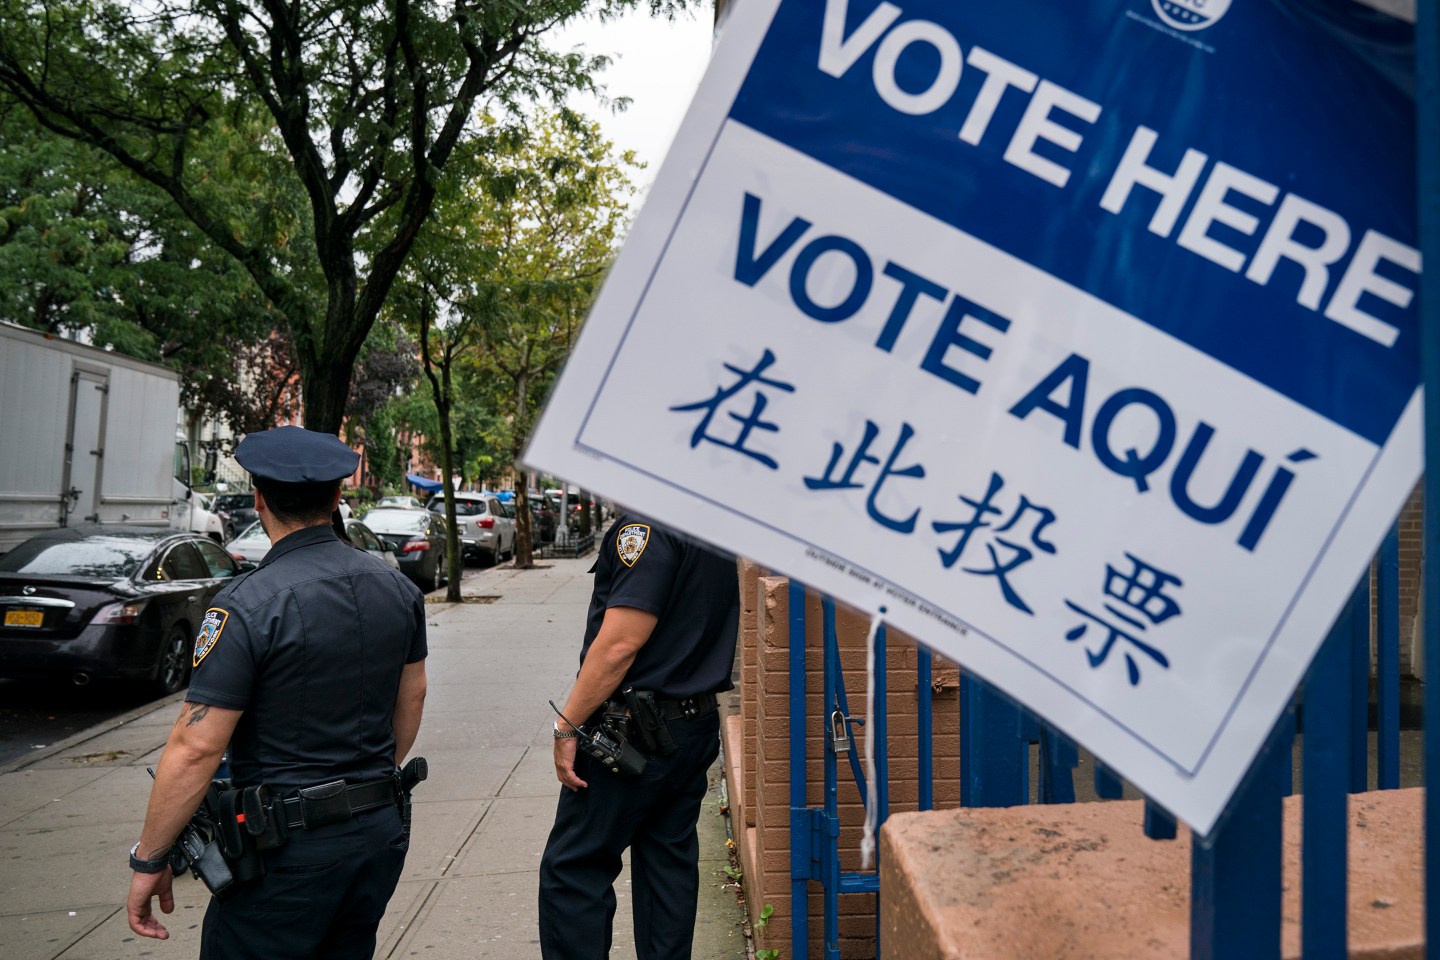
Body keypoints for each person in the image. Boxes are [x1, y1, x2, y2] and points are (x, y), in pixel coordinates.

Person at [126, 425, 429, 959]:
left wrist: (150, 859)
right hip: (379, 833)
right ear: (337, 498)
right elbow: (412, 699)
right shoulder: (399, 589)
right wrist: (363, 786)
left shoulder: (244, 605)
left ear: (259, 498)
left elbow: (196, 747)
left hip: (286, 851)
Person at [538, 514, 739, 960]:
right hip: (690, 724)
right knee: (667, 867)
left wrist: (567, 724)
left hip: (633, 733)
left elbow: (619, 646)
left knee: (574, 870)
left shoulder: (646, 527)